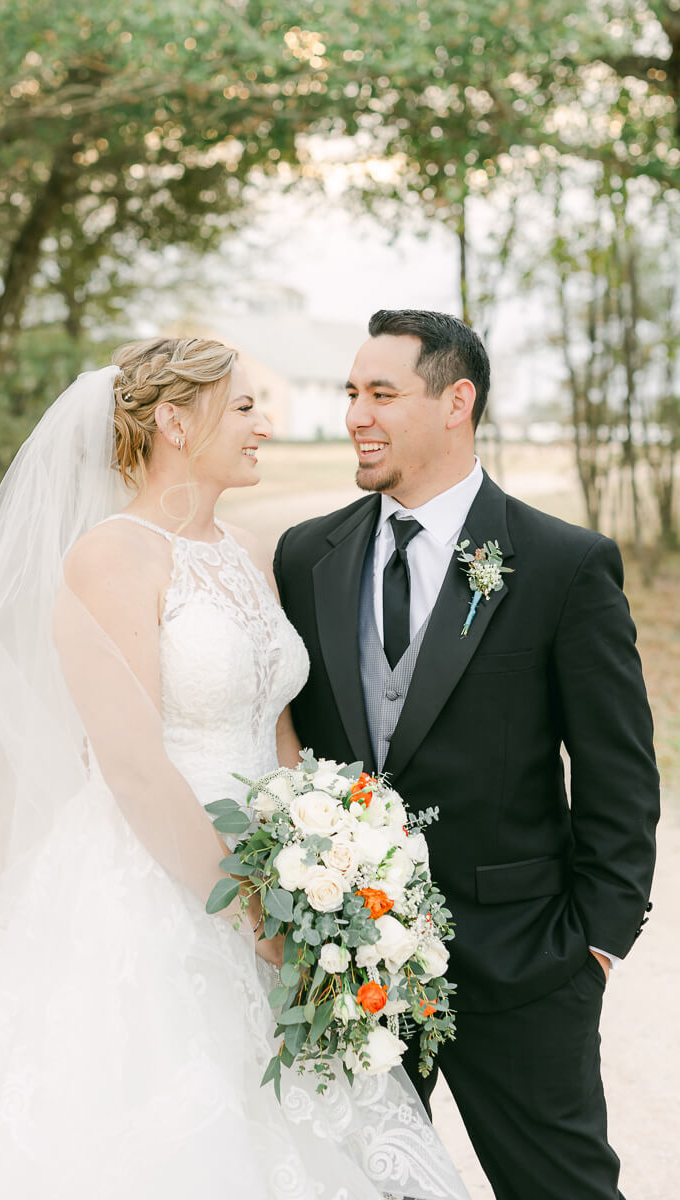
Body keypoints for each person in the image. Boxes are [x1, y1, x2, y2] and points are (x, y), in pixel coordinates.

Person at [0, 336, 469, 1200]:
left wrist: (332, 867)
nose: (265, 425)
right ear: (173, 421)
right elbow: (134, 770)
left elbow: (278, 734)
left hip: (279, 879)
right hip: (156, 890)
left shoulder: (245, 552)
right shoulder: (111, 556)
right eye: (243, 408)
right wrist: (252, 913)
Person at [273, 309, 660, 1200]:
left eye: (381, 394)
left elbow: (620, 773)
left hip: (523, 962)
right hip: (352, 961)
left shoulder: (563, 563)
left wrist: (593, 945)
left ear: (457, 401)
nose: (355, 416)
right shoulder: (307, 556)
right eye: (349, 393)